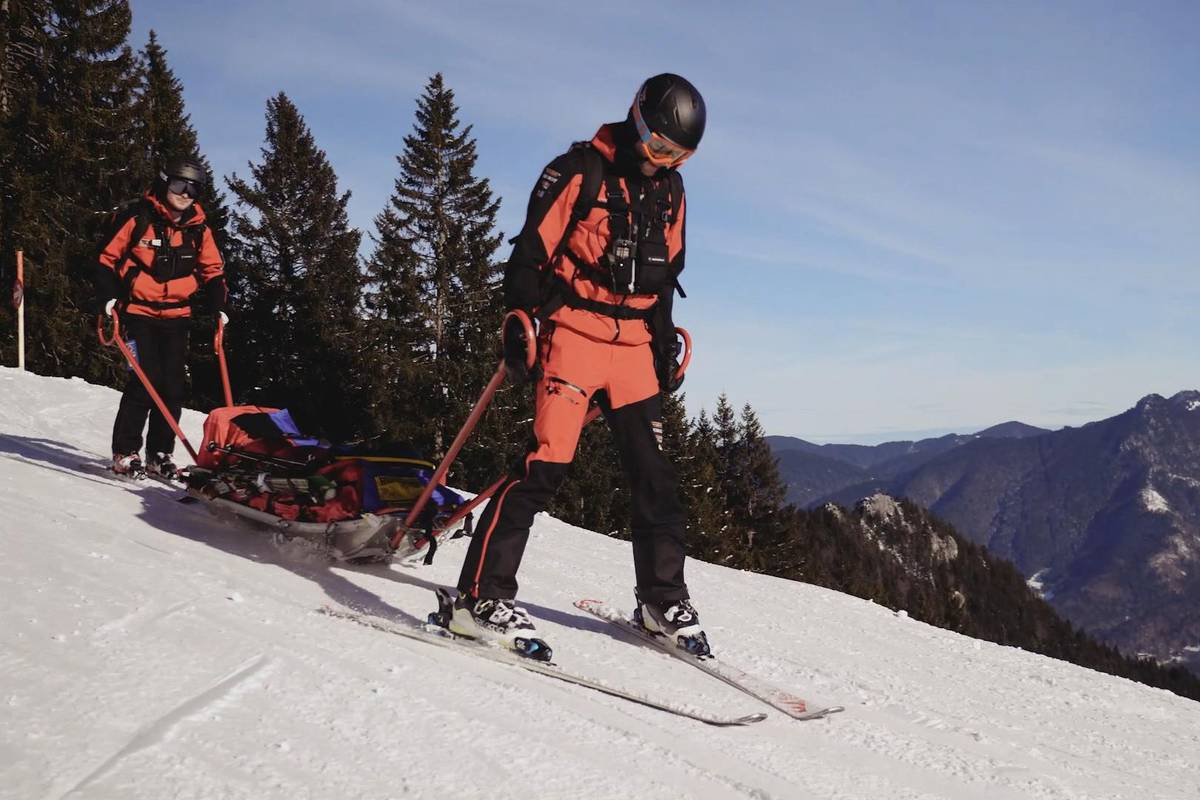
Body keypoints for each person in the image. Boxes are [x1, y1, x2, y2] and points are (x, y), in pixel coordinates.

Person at [450, 73, 708, 655]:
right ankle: (480, 598)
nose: (668, 162)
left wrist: (663, 342)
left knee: (656, 478)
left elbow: (667, 275)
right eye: (662, 147)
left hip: (635, 345)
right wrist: (520, 318)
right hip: (573, 336)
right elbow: (528, 255)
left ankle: (660, 599)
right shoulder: (577, 171)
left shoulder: (672, 190)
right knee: (544, 467)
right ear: (639, 122)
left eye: (682, 155)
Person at [96, 157, 228, 479]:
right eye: (179, 184)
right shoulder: (138, 218)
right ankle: (125, 452)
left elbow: (213, 272)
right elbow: (105, 260)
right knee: (144, 381)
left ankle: (159, 452)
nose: (185, 193)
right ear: (164, 182)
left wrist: (220, 308)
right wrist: (108, 298)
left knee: (172, 386)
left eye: (193, 188)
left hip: (176, 316)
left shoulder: (198, 229)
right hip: (137, 313)